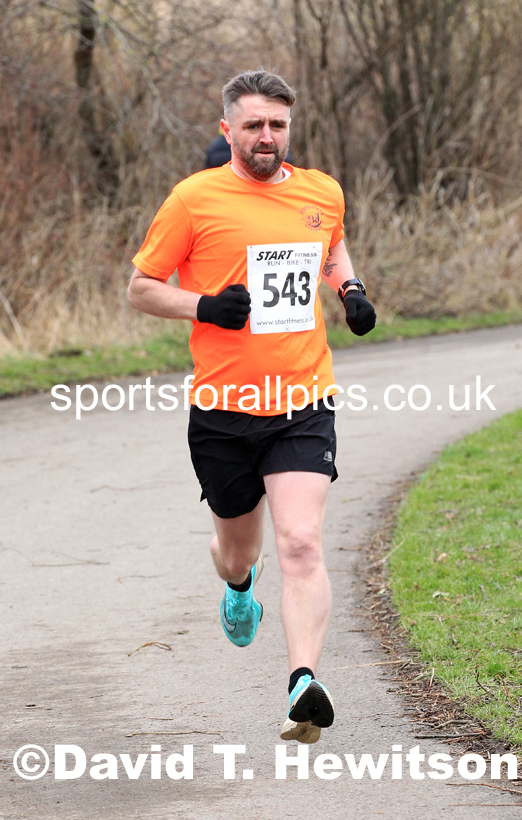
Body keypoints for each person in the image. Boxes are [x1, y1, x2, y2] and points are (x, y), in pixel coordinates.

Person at [127, 69, 376, 744]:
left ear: (288, 129)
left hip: (302, 398)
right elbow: (141, 288)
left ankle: (302, 682)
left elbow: (330, 243)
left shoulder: (320, 190)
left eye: (277, 125)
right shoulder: (193, 200)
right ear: (227, 129)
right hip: (222, 409)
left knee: (300, 541)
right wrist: (203, 305)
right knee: (239, 552)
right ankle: (239, 588)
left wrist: (348, 287)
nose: (265, 137)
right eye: (252, 125)